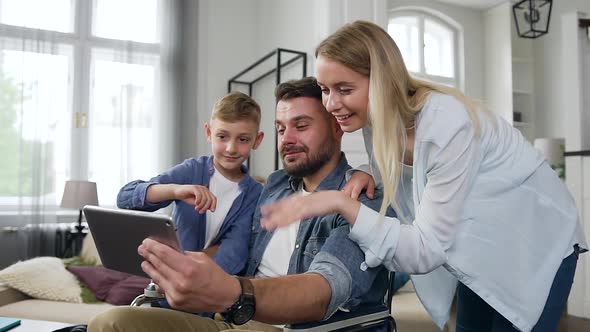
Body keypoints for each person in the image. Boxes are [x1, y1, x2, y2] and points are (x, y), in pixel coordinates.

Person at [260, 21, 588, 332]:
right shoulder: (376, 119)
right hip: (479, 247)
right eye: (324, 89)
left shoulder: (446, 123)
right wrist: (367, 172)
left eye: (344, 89)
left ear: (382, 81)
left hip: (534, 242)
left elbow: (424, 250)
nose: (331, 103)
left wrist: (337, 202)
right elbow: (410, 175)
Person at [88, 77, 388, 332]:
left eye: (301, 125)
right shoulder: (274, 186)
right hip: (229, 316)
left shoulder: (359, 199)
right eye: (281, 129)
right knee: (112, 323)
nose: (287, 139)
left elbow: (326, 289)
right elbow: (237, 243)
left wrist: (232, 292)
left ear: (337, 129)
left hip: (278, 324)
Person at [116, 91, 264, 275]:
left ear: (257, 140)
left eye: (243, 139)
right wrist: (175, 191)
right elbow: (125, 198)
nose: (231, 148)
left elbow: (234, 253)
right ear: (209, 133)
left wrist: (189, 273)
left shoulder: (256, 195)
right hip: (169, 284)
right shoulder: (191, 170)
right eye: (222, 137)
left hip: (214, 289)